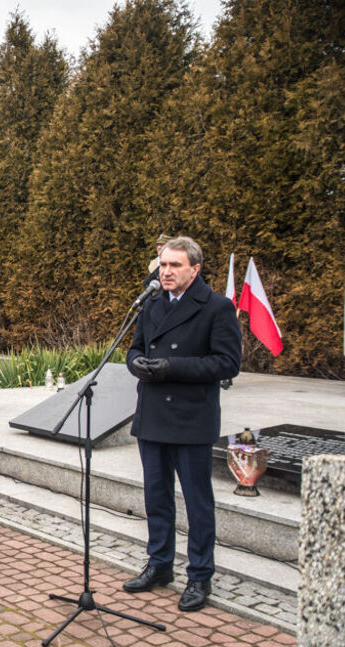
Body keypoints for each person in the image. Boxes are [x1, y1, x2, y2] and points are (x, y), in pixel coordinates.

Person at [123, 236, 241, 612]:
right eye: (163, 264)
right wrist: (136, 364)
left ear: (195, 268)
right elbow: (136, 348)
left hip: (191, 417)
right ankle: (159, 565)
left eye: (175, 265)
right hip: (154, 413)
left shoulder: (218, 307)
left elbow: (227, 363)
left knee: (197, 502)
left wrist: (173, 367)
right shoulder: (151, 303)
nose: (166, 271)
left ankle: (200, 575)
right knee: (156, 497)